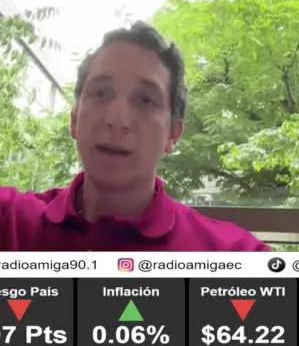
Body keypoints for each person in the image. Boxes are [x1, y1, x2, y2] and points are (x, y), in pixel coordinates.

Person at [0, 22, 269, 251]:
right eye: (101, 93)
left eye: (145, 100)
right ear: (74, 120)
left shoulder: (235, 256)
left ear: (172, 134)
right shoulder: (9, 221)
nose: (117, 120)